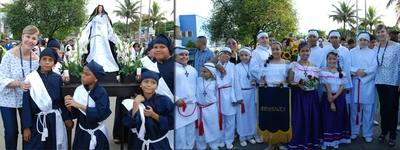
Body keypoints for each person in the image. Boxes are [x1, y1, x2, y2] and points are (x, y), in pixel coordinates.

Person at [21, 48, 73, 149]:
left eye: (50, 60)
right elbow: (26, 105)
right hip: (37, 121)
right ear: (39, 60)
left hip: (54, 119)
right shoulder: (31, 79)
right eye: (44, 59)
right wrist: (26, 127)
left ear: (54, 63)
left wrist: (67, 118)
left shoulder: (57, 78)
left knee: (52, 145)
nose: (47, 62)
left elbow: (62, 102)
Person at [0, 25, 40, 149]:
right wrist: (19, 83)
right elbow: (2, 79)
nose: (30, 40)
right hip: (7, 99)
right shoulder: (9, 55)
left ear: (37, 41)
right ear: (22, 36)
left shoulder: (36, 59)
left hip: (26, 100)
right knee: (11, 132)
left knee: (28, 131)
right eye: (28, 36)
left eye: (33, 38)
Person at [122, 69, 174, 150]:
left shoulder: (165, 101)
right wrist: (135, 104)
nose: (149, 85)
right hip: (140, 143)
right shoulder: (135, 100)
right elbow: (131, 124)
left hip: (159, 144)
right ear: (140, 84)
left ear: (157, 86)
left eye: (153, 82)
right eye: (146, 81)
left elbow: (172, 121)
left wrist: (153, 115)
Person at [64, 60, 112, 149]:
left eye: (87, 74)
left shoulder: (102, 93)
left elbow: (100, 114)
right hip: (82, 132)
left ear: (96, 78)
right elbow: (76, 113)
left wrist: (79, 105)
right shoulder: (79, 90)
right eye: (83, 73)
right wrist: (69, 105)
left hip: (98, 133)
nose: (83, 77)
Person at [287, 42, 320, 149]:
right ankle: (297, 142)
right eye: (303, 51)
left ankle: (310, 142)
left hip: (311, 96)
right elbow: (290, 81)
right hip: (299, 96)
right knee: (299, 119)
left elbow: (317, 82)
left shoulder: (314, 66)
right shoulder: (294, 65)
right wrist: (299, 85)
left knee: (310, 118)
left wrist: (314, 85)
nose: (305, 53)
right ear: (299, 52)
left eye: (307, 51)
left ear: (310, 52)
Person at [259, 42, 290, 150]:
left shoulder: (287, 62)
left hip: (281, 93)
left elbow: (289, 79)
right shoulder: (266, 63)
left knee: (280, 117)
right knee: (269, 117)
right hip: (268, 94)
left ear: (281, 50)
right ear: (271, 51)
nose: (275, 51)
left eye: (277, 49)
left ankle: (280, 142)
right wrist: (264, 85)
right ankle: (270, 144)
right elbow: (262, 79)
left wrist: (281, 82)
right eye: (273, 50)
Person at [348, 32, 378, 143]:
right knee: (355, 109)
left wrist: (365, 74)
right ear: (357, 41)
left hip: (368, 84)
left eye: (365, 40)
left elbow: (374, 67)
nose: (362, 42)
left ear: (368, 41)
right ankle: (354, 131)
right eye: (360, 40)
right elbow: (348, 65)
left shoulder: (373, 53)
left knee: (368, 110)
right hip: (355, 83)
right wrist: (357, 70)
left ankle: (368, 133)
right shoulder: (352, 52)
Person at [374, 24, 400, 147]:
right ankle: (384, 131)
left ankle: (393, 135)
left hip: (393, 82)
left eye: (382, 31)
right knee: (383, 108)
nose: (380, 34)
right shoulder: (375, 48)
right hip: (380, 81)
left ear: (387, 32)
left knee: (392, 109)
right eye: (378, 32)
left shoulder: (396, 47)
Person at [319, 51, 351, 149]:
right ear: (327, 60)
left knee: (338, 119)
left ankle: (336, 139)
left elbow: (342, 86)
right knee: (328, 119)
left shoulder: (341, 72)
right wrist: (332, 101)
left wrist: (336, 96)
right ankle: (326, 140)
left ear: (337, 60)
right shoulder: (323, 72)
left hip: (339, 98)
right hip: (328, 98)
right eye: (330, 59)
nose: (332, 61)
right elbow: (327, 87)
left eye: (334, 59)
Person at [234, 47, 262, 147]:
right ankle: (242, 136)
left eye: (246, 55)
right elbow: (236, 82)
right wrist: (238, 96)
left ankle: (251, 135)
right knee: (242, 116)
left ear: (250, 56)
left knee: (252, 115)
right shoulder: (236, 67)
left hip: (252, 92)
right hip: (242, 94)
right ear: (239, 56)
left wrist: (255, 81)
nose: (244, 57)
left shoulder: (253, 66)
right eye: (241, 55)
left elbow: (258, 77)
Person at [79, 5, 120, 72]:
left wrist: (112, 35)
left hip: (104, 37)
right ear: (97, 9)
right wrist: (84, 34)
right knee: (95, 49)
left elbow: (109, 28)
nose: (100, 9)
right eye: (99, 8)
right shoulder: (94, 17)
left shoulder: (106, 17)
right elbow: (88, 26)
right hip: (95, 37)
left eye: (101, 8)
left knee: (105, 49)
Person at [214, 47, 238, 149]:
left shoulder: (232, 66)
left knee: (230, 119)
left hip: (229, 93)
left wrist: (235, 98)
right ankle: (221, 139)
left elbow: (235, 83)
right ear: (220, 54)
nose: (226, 56)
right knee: (220, 119)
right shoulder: (213, 66)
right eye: (224, 53)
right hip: (217, 93)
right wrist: (217, 65)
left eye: (228, 54)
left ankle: (229, 140)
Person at [174, 47, 198, 150]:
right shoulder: (172, 70)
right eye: (181, 54)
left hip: (191, 106)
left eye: (186, 55)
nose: (184, 57)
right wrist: (175, 99)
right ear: (175, 56)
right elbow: (166, 88)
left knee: (190, 134)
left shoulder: (193, 70)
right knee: (179, 135)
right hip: (178, 107)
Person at [195, 62, 221, 150]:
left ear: (212, 73)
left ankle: (214, 145)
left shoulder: (216, 82)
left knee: (212, 126)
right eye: (201, 71)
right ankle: (201, 146)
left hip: (211, 108)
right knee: (200, 128)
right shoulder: (198, 80)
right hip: (200, 108)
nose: (202, 73)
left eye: (205, 72)